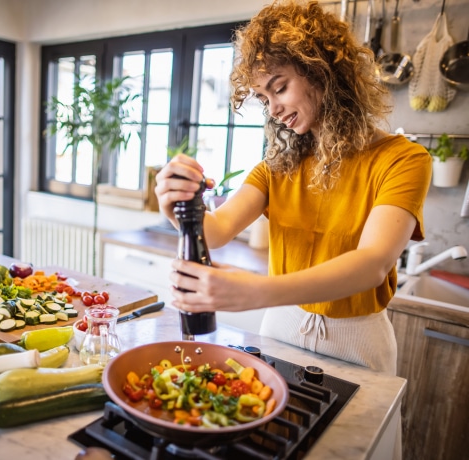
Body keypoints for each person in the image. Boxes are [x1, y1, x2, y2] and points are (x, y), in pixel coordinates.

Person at [154, 0, 432, 376]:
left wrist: (256, 290)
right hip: (281, 327)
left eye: (279, 88)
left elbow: (373, 264)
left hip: (358, 340)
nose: (273, 110)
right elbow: (214, 231)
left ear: (322, 72)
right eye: (264, 99)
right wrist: (174, 203)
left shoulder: (403, 159)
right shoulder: (278, 166)